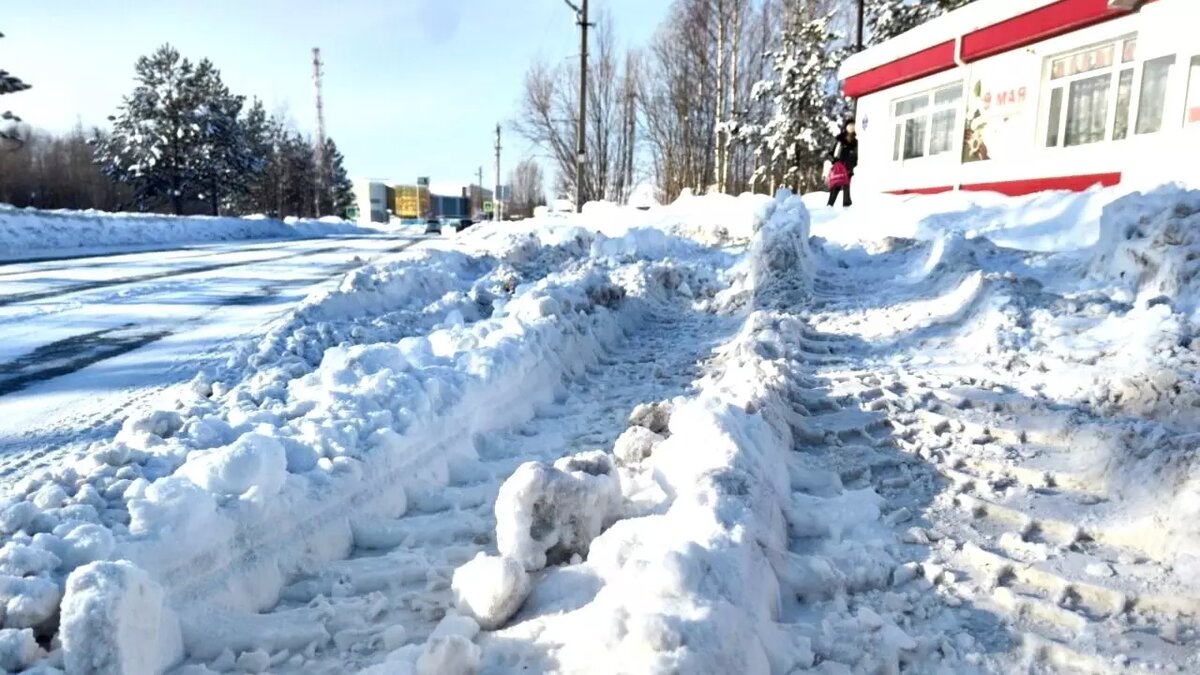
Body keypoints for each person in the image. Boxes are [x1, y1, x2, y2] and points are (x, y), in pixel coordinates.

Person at [827, 121, 859, 208]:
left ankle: (846, 206)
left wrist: (854, 164)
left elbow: (857, 155)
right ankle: (829, 206)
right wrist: (834, 161)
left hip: (849, 168)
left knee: (847, 186)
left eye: (853, 126)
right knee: (836, 186)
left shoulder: (856, 142)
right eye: (850, 126)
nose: (851, 128)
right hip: (839, 167)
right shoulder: (839, 139)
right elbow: (831, 152)